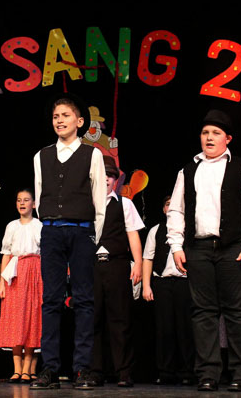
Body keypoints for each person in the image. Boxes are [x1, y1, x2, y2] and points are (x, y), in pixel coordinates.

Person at [167, 109, 241, 392]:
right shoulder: (188, 170)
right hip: (198, 248)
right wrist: (176, 245)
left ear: (228, 138)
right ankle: (208, 373)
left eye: (216, 133)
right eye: (205, 133)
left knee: (237, 312)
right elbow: (176, 209)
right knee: (203, 312)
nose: (209, 138)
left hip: (233, 248)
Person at [31, 94, 106, 390]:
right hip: (51, 231)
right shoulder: (42, 155)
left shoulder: (92, 154)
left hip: (81, 231)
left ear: (79, 121)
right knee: (51, 299)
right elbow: (40, 195)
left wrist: (94, 238)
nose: (59, 120)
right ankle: (50, 368)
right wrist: (48, 224)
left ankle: (82, 368)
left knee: (84, 300)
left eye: (65, 115)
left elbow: (99, 201)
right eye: (55, 116)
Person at [91, 156, 143, 387]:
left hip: (117, 264)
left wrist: (138, 263)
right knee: (92, 319)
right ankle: (95, 371)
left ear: (115, 181)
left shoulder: (124, 204)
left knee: (120, 319)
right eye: (101, 176)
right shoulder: (87, 204)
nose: (105, 180)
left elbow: (133, 234)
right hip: (91, 266)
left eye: (109, 177)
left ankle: (124, 372)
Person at [141, 195, 195, 386]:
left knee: (185, 328)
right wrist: (146, 286)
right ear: (163, 210)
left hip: (185, 283)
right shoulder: (156, 230)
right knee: (164, 328)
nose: (171, 207)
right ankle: (166, 371)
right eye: (167, 204)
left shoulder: (190, 230)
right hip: (162, 283)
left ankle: (187, 371)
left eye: (175, 204)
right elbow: (148, 258)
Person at [0, 189, 43, 384]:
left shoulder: (39, 225)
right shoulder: (12, 226)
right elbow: (6, 255)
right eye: (19, 200)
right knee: (16, 319)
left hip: (34, 272)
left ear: (34, 204)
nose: (22, 203)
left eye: (26, 200)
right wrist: (2, 283)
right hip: (15, 274)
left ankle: (28, 368)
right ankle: (17, 369)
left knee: (32, 319)